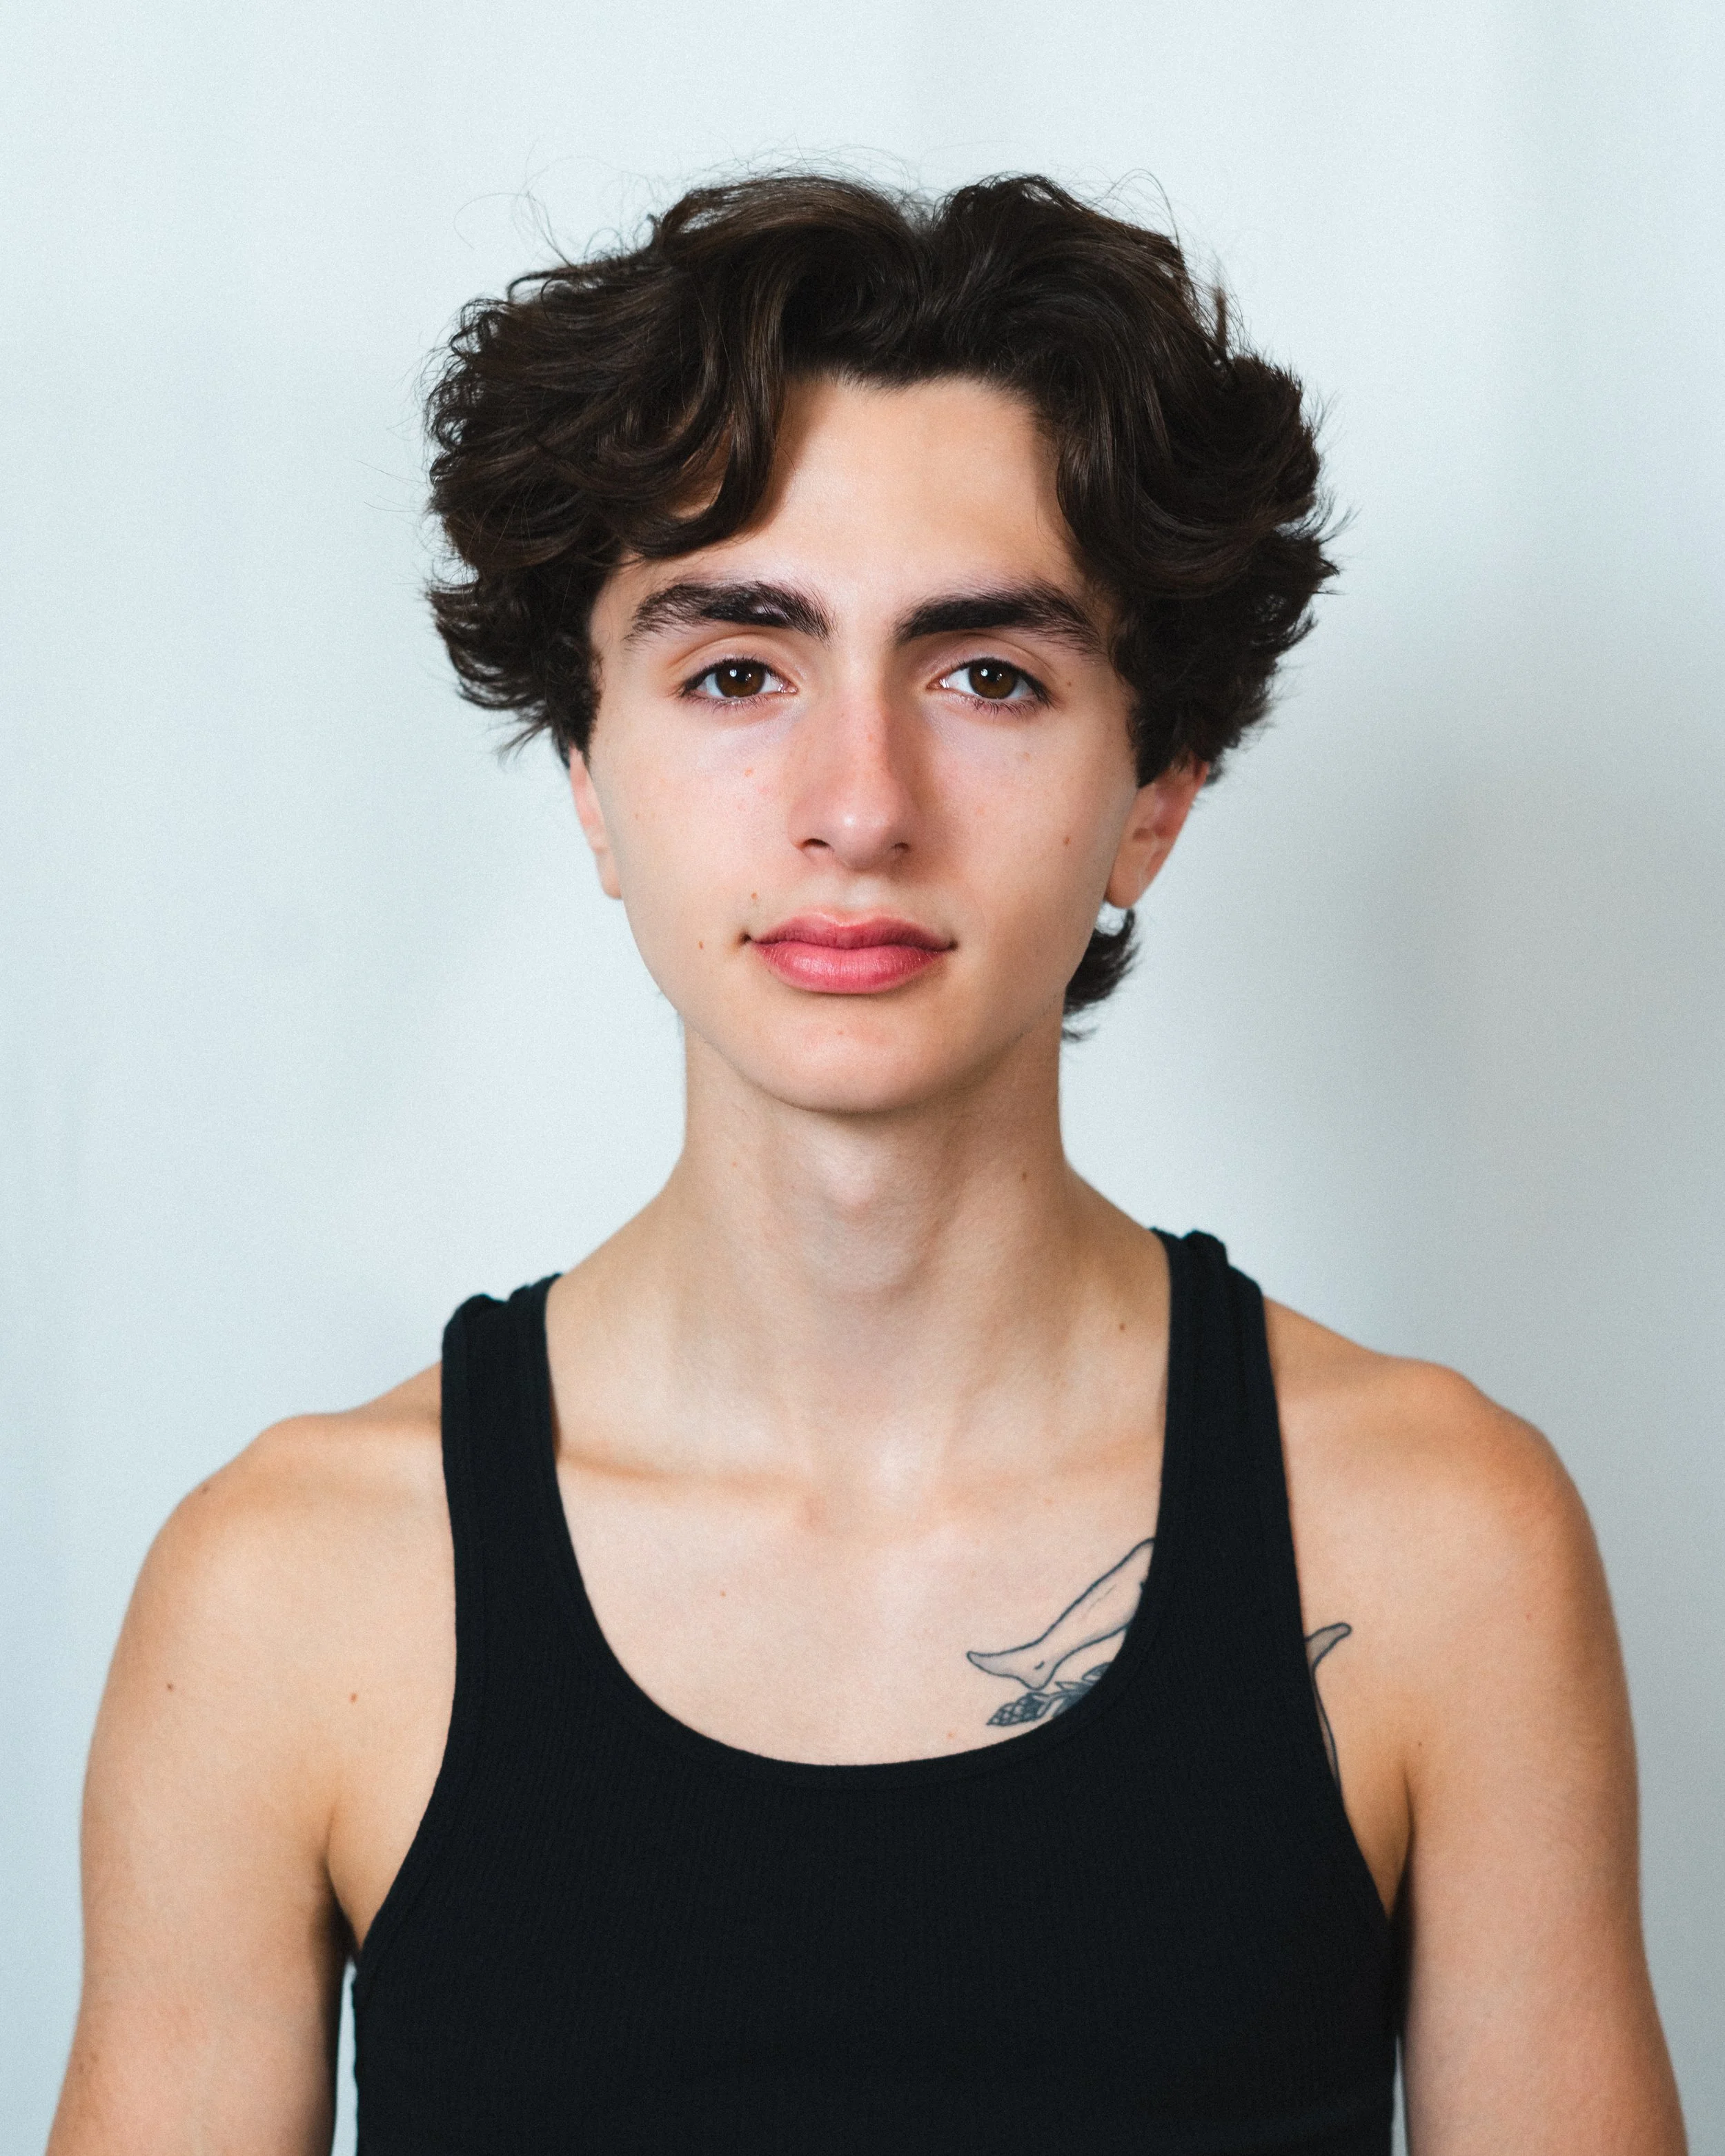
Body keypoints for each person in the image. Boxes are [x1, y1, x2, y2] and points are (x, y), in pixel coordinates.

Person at [48, 175, 1685, 2155]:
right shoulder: (291, 1593)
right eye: (738, 668)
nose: (857, 805)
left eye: (984, 673)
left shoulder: (1437, 1545)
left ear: (1150, 793)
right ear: (590, 776)